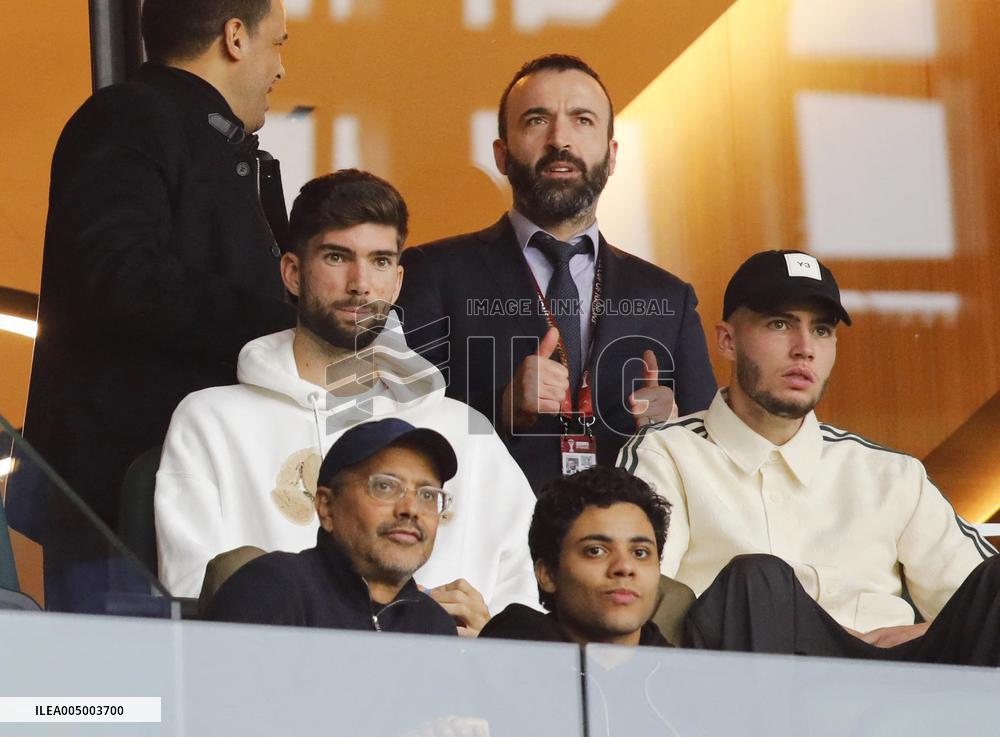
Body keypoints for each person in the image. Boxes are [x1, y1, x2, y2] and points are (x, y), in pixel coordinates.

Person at [155, 170, 538, 635]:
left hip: (449, 692)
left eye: (379, 261)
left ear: (397, 282)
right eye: (338, 257)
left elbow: (524, 612)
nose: (360, 283)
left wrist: (493, 637)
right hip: (278, 689)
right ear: (293, 273)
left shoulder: (465, 432)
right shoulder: (212, 420)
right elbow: (194, 599)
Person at [620, 250, 1000, 665]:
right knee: (758, 580)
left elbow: (981, 599)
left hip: (892, 690)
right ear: (727, 340)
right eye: (780, 324)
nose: (804, 349)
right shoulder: (668, 454)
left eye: (821, 330)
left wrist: (925, 633)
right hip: (754, 694)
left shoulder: (891, 474)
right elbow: (637, 601)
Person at [23, 0, 295, 537]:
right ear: (235, 37)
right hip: (122, 506)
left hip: (196, 492)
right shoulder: (129, 116)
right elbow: (119, 275)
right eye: (278, 43)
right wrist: (285, 329)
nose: (281, 69)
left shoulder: (211, 143)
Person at [396, 54, 716, 492]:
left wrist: (674, 429)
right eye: (535, 120)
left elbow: (713, 459)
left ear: (612, 154)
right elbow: (396, 430)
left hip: (626, 547)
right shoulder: (432, 272)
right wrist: (500, 410)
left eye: (582, 120)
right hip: (486, 541)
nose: (559, 139)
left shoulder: (669, 298)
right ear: (502, 153)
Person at [206, 418, 457, 636]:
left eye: (427, 495)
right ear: (326, 506)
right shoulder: (272, 590)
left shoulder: (436, 626)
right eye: (385, 486)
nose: (410, 509)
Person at [480, 466, 671, 646]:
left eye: (640, 553)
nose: (624, 567)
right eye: (596, 551)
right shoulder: (504, 659)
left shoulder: (687, 675)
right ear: (547, 573)